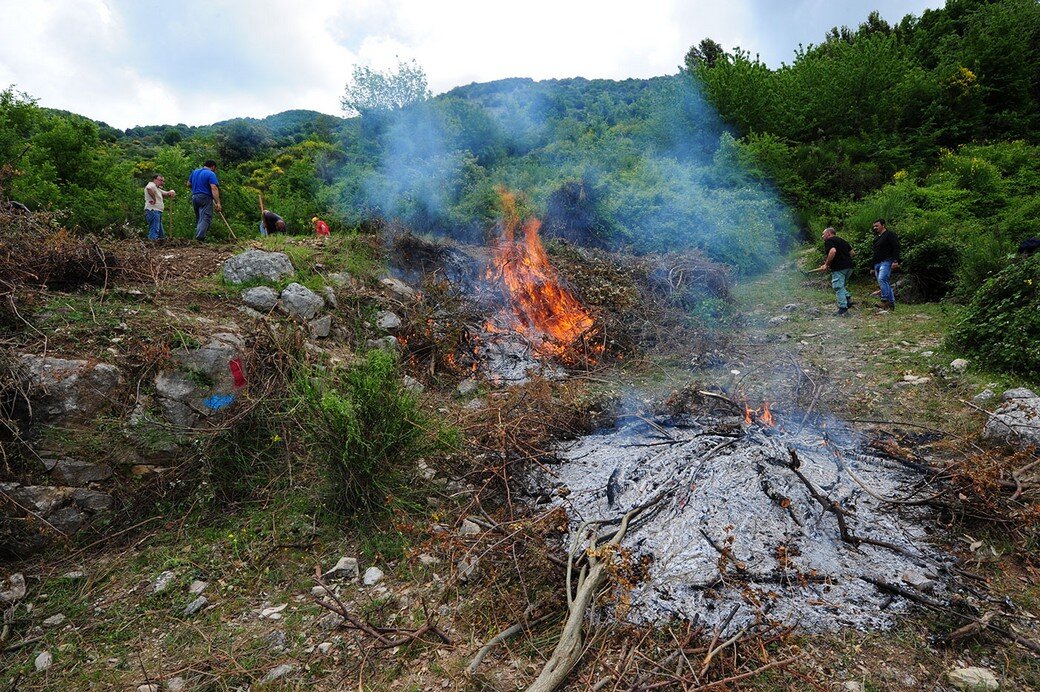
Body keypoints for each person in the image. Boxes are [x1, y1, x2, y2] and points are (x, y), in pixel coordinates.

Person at [817, 227, 855, 316]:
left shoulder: (829, 241)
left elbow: (833, 251)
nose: (822, 236)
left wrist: (826, 264)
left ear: (829, 233)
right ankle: (848, 298)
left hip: (839, 268)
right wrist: (844, 259)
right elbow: (853, 253)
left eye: (823, 234)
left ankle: (843, 309)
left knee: (837, 286)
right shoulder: (843, 241)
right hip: (849, 267)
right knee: (840, 286)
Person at [870, 219, 900, 310]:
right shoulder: (876, 239)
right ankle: (891, 304)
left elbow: (896, 247)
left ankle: (884, 300)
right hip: (877, 263)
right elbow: (875, 253)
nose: (875, 228)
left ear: (883, 225)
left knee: (882, 279)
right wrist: (872, 267)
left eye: (877, 226)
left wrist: (895, 261)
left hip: (887, 261)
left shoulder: (890, 234)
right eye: (874, 226)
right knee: (884, 282)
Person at [187, 160, 221, 241]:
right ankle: (199, 239)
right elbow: (214, 188)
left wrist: (198, 186)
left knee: (199, 218)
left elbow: (188, 184)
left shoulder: (195, 172)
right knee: (205, 217)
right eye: (215, 168)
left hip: (195, 197)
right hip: (205, 197)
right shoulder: (211, 174)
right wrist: (218, 202)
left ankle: (198, 236)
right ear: (213, 166)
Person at [143, 174, 176, 241]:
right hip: (153, 211)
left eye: (163, 181)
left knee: (161, 232)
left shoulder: (157, 189)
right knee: (155, 229)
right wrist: (154, 199)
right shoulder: (151, 185)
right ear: (154, 180)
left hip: (157, 212)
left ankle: (159, 247)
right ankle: (151, 245)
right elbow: (149, 189)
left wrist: (172, 191)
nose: (162, 182)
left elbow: (167, 194)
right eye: (160, 180)